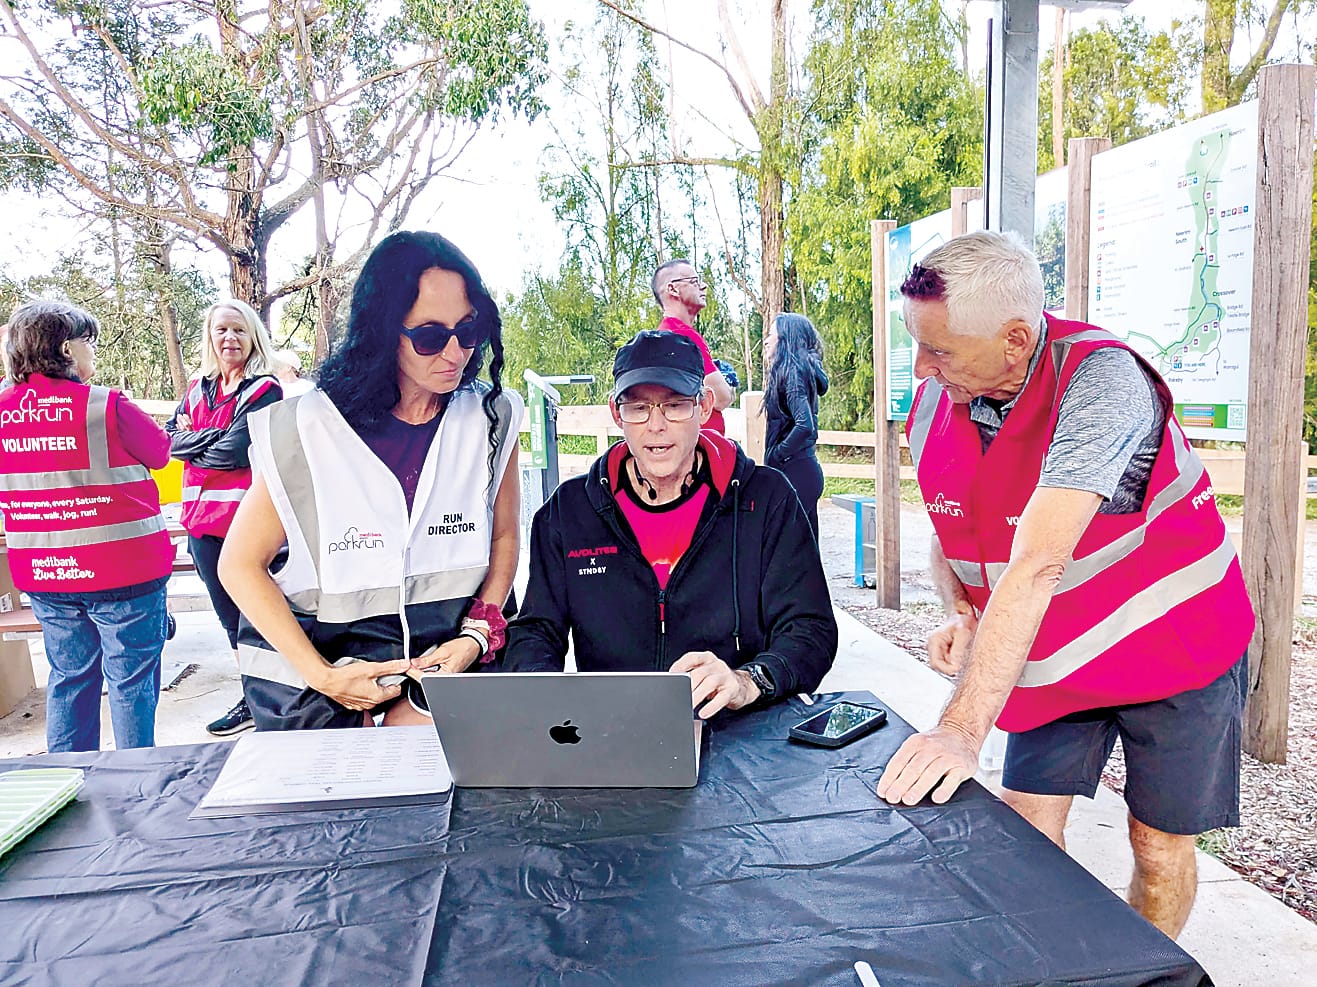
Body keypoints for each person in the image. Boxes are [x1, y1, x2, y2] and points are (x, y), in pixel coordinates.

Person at [875, 231, 1255, 938]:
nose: (922, 369)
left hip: (1174, 650)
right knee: (1024, 830)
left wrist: (960, 728)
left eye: (941, 351)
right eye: (917, 345)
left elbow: (1037, 562)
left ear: (1015, 339)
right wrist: (959, 603)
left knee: (1157, 846)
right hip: (1052, 654)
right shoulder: (941, 398)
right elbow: (954, 523)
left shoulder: (1101, 383)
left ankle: (1145, 973)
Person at [217, 230, 522, 730]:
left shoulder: (492, 417)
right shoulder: (306, 429)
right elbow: (239, 566)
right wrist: (322, 676)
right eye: (429, 336)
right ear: (383, 331)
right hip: (319, 678)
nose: (455, 353)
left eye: (468, 330)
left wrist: (475, 635)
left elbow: (505, 537)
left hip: (448, 663)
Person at [505, 329, 836, 717]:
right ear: (617, 412)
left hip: (738, 731)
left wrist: (748, 681)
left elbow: (810, 629)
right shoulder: (569, 510)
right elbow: (536, 630)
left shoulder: (765, 498)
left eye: (675, 405)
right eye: (638, 407)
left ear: (705, 406)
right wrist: (551, 707)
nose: (656, 425)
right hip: (611, 731)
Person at [0, 301, 172, 752]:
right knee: (131, 680)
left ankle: (65, 784)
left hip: (45, 572)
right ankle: (136, 786)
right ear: (65, 349)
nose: (91, 351)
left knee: (69, 676)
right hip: (124, 572)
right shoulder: (104, 406)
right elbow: (159, 453)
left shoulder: (2, 411)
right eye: (86, 341)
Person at [167, 299, 282, 735]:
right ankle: (252, 694)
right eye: (221, 331)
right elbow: (168, 443)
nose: (229, 339)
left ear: (252, 335)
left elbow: (232, 453)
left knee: (256, 612)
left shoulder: (262, 390)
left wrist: (194, 442)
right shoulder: (198, 387)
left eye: (238, 330)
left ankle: (269, 695)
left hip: (246, 522)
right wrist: (205, 439)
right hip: (201, 524)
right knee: (227, 615)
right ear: (209, 338)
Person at [762, 312, 829, 540]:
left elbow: (804, 425)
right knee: (805, 556)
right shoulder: (797, 372)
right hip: (802, 470)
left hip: (796, 472)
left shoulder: (791, 372)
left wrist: (777, 455)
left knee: (791, 556)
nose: (767, 340)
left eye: (772, 335)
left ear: (786, 340)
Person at [651, 258, 734, 433]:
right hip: (701, 446)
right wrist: (728, 384)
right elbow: (721, 398)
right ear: (672, 289)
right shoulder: (683, 337)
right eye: (694, 281)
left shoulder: (664, 334)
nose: (703, 286)